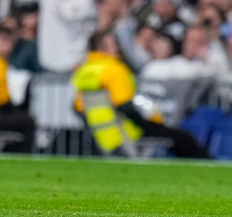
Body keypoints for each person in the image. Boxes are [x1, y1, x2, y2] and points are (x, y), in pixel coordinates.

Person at [73, 31, 209, 159]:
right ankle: (210, 165)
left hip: (103, 137)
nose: (117, 48)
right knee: (183, 138)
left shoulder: (85, 71)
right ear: (103, 47)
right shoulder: (114, 70)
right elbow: (125, 106)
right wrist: (145, 125)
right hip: (128, 133)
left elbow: (78, 108)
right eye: (114, 44)